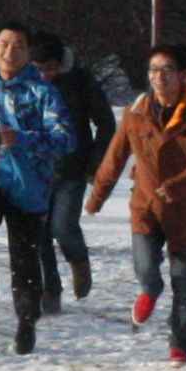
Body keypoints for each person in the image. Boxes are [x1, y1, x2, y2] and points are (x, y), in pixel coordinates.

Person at [87, 42, 186, 366]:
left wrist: (177, 184)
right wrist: (97, 196)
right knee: (146, 268)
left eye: (167, 70)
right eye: (153, 70)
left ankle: (180, 342)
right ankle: (150, 290)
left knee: (185, 283)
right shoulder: (135, 114)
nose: (159, 77)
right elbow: (114, 158)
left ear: (183, 75)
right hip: (146, 206)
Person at [0, 23, 78, 355]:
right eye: (4, 43)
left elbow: (65, 139)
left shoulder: (43, 92)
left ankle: (26, 320)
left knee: (24, 257)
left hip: (29, 186)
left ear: (28, 52)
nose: (9, 51)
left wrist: (21, 139)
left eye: (18, 45)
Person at [46, 42, 116, 300]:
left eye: (50, 68)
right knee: (38, 235)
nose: (45, 75)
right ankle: (49, 290)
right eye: (38, 69)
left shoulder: (81, 81)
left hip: (72, 168)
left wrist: (94, 162)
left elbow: (106, 123)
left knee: (62, 226)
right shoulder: (24, 80)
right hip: (33, 169)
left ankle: (79, 261)